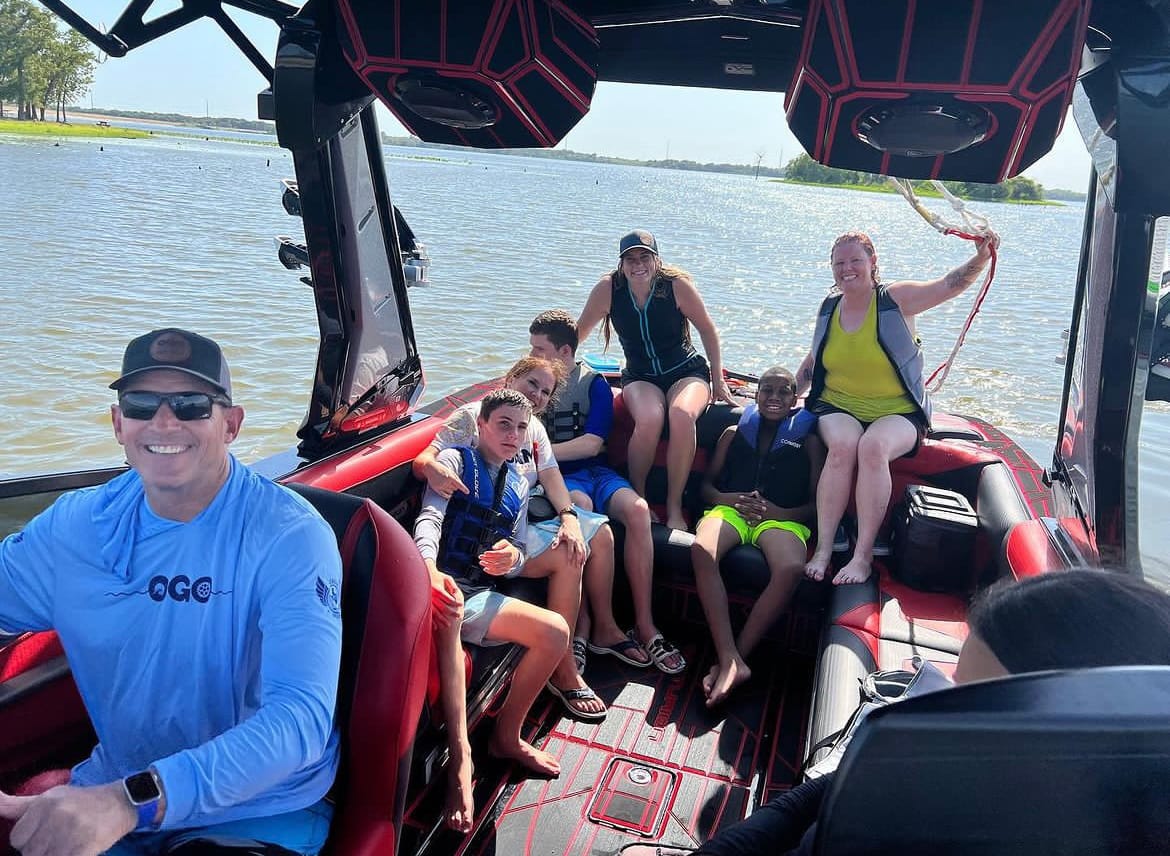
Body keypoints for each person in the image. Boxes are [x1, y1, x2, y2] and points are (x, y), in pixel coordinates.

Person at [0, 329, 343, 856]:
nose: (164, 422)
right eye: (141, 404)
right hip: (114, 790)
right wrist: (116, 799)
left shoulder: (289, 537)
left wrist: (129, 800)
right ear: (119, 424)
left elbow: (299, 722)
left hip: (258, 809)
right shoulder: (75, 527)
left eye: (191, 405)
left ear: (230, 424)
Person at [620, 567, 1170, 856]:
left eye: (975, 707)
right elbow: (821, 803)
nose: (944, 719)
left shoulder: (929, 826)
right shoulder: (961, 784)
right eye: (952, 694)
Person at [414, 389, 581, 831]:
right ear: (481, 426)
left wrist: (514, 558)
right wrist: (428, 568)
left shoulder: (522, 484)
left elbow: (521, 547)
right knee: (448, 609)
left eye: (521, 427)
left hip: (479, 593)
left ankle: (507, 737)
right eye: (503, 424)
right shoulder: (452, 462)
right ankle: (461, 760)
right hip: (434, 583)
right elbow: (430, 519)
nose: (513, 434)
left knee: (555, 631)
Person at [797, 230, 999, 585]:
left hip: (898, 411)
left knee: (872, 447)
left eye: (856, 260)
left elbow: (949, 285)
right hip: (838, 406)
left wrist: (980, 258)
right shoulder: (829, 306)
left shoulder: (894, 299)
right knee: (843, 446)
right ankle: (824, 548)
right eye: (839, 262)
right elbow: (814, 361)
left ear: (872, 263)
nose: (847, 269)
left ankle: (862, 556)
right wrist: (788, 392)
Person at [412, 357, 608, 719]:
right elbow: (426, 465)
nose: (537, 396)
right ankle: (566, 659)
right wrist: (433, 471)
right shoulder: (471, 422)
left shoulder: (531, 433)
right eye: (531, 384)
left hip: (508, 530)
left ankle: (569, 659)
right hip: (459, 555)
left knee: (576, 546)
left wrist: (569, 519)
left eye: (545, 392)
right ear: (512, 378)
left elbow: (550, 479)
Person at [529, 310, 684, 674]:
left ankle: (645, 625)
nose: (532, 354)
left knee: (639, 511)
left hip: (595, 471)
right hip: (561, 480)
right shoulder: (530, 383)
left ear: (565, 352)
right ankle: (584, 629)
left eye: (540, 348)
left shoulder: (593, 383)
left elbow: (592, 443)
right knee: (580, 509)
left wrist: (541, 451)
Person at [577, 230, 736, 532]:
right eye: (631, 259)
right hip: (640, 376)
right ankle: (639, 497)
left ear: (657, 260)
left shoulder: (677, 287)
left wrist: (718, 380)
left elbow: (708, 330)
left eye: (645, 257)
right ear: (622, 264)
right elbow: (577, 334)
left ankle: (675, 505)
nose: (638, 265)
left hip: (686, 371)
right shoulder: (608, 290)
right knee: (649, 418)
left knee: (681, 414)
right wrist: (550, 368)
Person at [691, 367, 824, 706]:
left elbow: (816, 504)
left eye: (784, 391)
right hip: (731, 511)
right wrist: (729, 500)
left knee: (791, 568)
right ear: (756, 394)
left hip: (780, 520)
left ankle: (735, 660)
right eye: (767, 390)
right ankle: (728, 655)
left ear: (795, 399)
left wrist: (780, 514)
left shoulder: (809, 442)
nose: (774, 397)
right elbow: (706, 488)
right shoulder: (733, 434)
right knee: (702, 549)